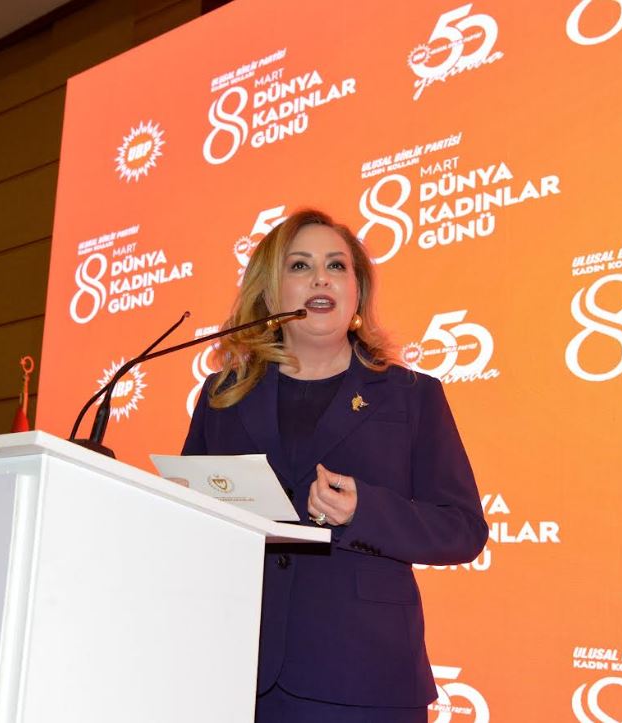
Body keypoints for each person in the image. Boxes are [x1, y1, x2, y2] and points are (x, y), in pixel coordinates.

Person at [183, 208, 488, 722]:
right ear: (269, 293)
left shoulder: (411, 396)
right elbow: (191, 523)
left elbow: (463, 530)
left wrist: (365, 512)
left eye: (337, 266)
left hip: (364, 676)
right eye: (299, 265)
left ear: (357, 290)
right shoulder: (223, 397)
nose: (321, 278)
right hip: (239, 667)